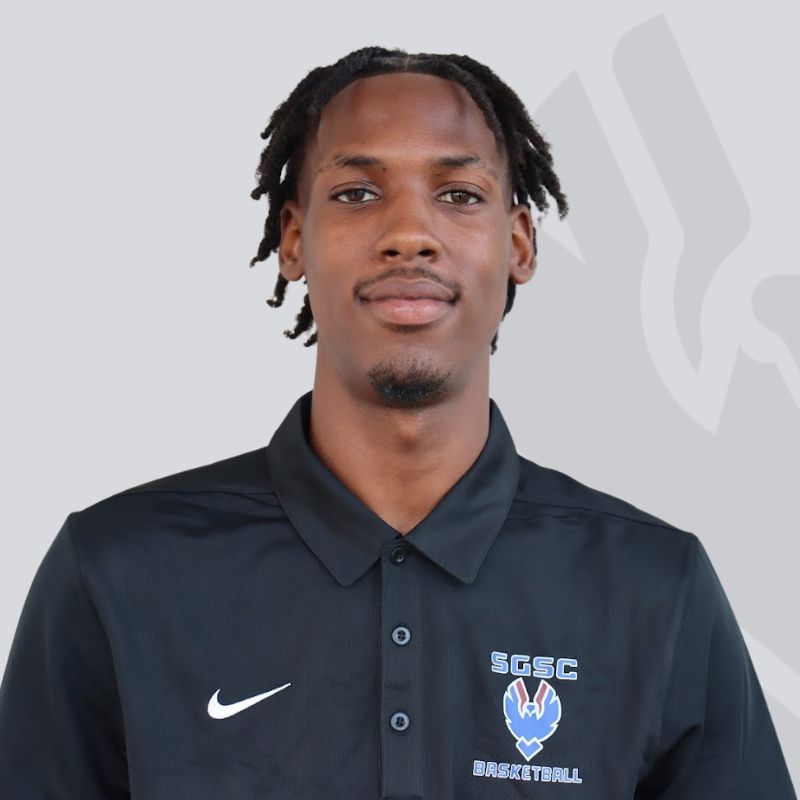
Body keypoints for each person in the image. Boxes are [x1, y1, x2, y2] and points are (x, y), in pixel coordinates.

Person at [0, 46, 795, 799]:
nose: (409, 234)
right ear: (293, 239)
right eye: (356, 193)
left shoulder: (656, 587)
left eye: (459, 195)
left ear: (519, 243)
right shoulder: (117, 573)